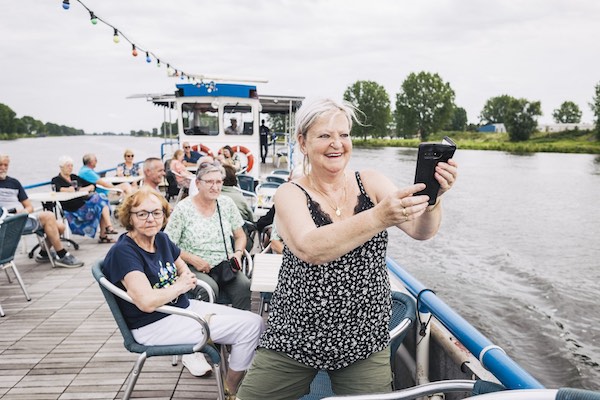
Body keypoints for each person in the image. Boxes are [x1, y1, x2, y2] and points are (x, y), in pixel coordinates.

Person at [237, 98, 459, 399]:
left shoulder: (371, 182)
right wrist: (379, 216)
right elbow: (310, 247)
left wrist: (434, 199)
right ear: (302, 142)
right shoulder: (289, 193)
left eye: (344, 134)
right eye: (325, 135)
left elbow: (421, 231)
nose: (337, 144)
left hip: (363, 338)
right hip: (294, 334)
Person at [102, 188, 264, 397]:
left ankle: (234, 373)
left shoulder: (160, 239)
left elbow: (183, 270)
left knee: (255, 321)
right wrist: (179, 286)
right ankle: (232, 390)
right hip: (153, 324)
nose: (150, 219)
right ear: (129, 218)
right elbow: (147, 302)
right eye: (142, 213)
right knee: (249, 328)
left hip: (180, 309)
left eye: (157, 212)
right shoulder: (125, 251)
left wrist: (184, 280)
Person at [164, 161, 252, 311]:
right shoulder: (183, 209)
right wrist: (193, 259)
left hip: (224, 266)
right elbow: (167, 244)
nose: (215, 187)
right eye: (210, 182)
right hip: (193, 266)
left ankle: (239, 330)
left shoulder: (226, 204)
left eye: (218, 182)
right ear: (198, 183)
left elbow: (240, 236)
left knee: (244, 287)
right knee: (208, 289)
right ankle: (206, 331)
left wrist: (237, 254)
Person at [0, 154, 84, 268]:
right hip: (5, 221)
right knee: (49, 216)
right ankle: (61, 254)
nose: (3, 167)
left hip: (21, 218)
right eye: (0, 164)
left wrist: (23, 212)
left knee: (60, 226)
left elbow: (29, 207)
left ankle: (43, 253)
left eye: (5, 165)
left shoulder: (14, 183)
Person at [51, 156, 116, 243]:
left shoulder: (74, 177)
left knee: (102, 200)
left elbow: (92, 185)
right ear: (61, 167)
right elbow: (59, 189)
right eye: (68, 166)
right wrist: (68, 190)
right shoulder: (56, 180)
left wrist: (82, 189)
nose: (70, 168)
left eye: (71, 166)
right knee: (101, 201)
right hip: (71, 210)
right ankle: (106, 231)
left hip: (83, 205)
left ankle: (107, 229)